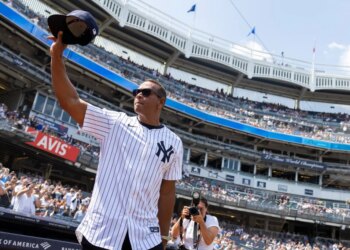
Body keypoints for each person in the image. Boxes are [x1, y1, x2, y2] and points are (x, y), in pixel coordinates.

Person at [49, 31, 183, 250]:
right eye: (136, 91)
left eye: (146, 92)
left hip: (145, 239)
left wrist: (164, 236)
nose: (138, 95)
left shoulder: (174, 142)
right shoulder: (114, 123)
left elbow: (167, 192)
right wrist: (56, 56)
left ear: (161, 102)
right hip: (102, 232)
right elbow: (70, 101)